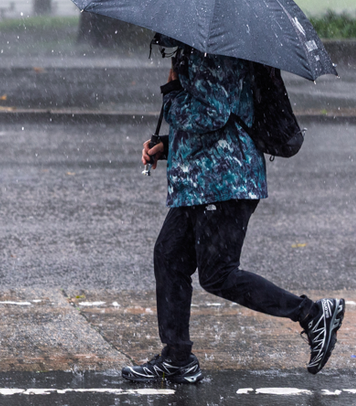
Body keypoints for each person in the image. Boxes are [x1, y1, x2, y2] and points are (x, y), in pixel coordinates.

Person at [121, 43, 344, 384]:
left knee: (219, 274)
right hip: (202, 181)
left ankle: (312, 314)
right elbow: (217, 115)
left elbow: (214, 112)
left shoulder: (213, 51)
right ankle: (177, 358)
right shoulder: (198, 49)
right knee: (169, 256)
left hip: (225, 181)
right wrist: (166, 146)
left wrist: (170, 94)